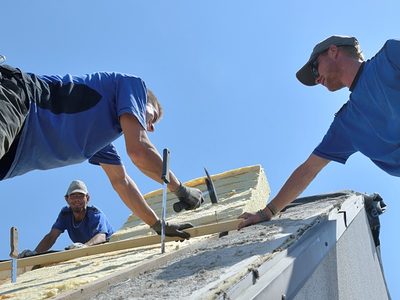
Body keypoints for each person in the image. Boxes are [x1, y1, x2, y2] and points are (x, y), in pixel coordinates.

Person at [0, 62, 204, 238]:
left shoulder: (99, 141)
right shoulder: (132, 85)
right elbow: (139, 150)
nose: (152, 127)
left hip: (10, 159)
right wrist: (182, 191)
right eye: (154, 116)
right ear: (144, 101)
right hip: (18, 99)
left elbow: (121, 182)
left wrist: (157, 225)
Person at [238, 35, 400, 228]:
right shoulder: (346, 125)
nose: (316, 79)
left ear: (333, 51)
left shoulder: (390, 58)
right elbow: (309, 170)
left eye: (315, 67)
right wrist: (267, 212)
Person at [19, 180, 115, 257]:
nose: (77, 199)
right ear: (67, 199)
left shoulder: (95, 214)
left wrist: (85, 246)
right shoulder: (65, 215)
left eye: (81, 196)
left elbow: (101, 237)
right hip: (86, 254)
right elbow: (51, 236)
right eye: (73, 196)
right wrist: (34, 253)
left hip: (109, 253)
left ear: (88, 198)